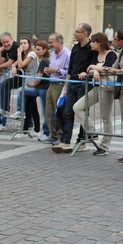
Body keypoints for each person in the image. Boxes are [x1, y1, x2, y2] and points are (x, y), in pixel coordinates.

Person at [51, 23, 97, 154]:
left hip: (84, 85)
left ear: (85, 33)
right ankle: (65, 140)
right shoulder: (75, 48)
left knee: (82, 112)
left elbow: (93, 66)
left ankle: (81, 141)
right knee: (68, 112)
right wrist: (66, 86)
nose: (74, 33)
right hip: (72, 83)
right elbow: (70, 68)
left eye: (77, 31)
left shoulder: (91, 49)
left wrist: (87, 74)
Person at [73, 33, 117, 156]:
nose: (91, 44)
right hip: (97, 88)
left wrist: (94, 68)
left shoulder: (111, 54)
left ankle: (104, 146)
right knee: (77, 107)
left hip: (106, 89)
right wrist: (94, 70)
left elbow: (107, 69)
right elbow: (89, 69)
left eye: (92, 42)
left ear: (99, 42)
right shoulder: (96, 54)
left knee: (106, 118)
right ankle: (92, 131)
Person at [43, 33, 71, 144]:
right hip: (51, 83)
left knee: (59, 111)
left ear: (59, 42)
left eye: (51, 42)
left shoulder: (68, 54)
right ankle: (53, 135)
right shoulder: (53, 54)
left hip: (60, 84)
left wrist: (56, 71)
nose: (49, 44)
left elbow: (69, 71)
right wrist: (48, 70)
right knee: (49, 111)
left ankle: (61, 135)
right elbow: (52, 67)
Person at [108, 30, 123, 162]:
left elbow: (117, 69)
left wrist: (117, 71)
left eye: (115, 39)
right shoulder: (121, 52)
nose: (114, 40)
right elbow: (113, 66)